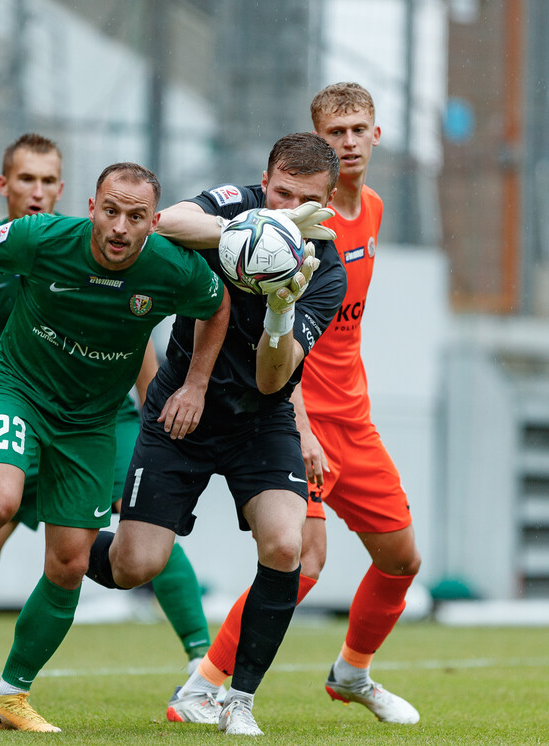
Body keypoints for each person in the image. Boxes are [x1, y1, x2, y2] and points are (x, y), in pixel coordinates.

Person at [0, 162, 229, 732]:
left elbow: (217, 307)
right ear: (90, 206)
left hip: (92, 422)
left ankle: (10, 698)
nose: (119, 228)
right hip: (19, 390)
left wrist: (196, 385)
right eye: (111, 211)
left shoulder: (174, 269)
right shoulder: (43, 238)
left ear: (153, 223)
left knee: (68, 564)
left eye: (135, 218)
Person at [173, 82, 422, 726]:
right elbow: (283, 339)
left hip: (354, 418)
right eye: (335, 132)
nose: (348, 141)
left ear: (375, 135)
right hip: (295, 411)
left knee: (401, 559)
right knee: (300, 560)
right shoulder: (278, 224)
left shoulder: (373, 210)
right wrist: (301, 423)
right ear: (318, 140)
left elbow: (343, 324)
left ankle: (352, 673)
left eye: (358, 129)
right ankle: (199, 687)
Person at [86, 132, 347, 735]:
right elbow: (170, 221)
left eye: (302, 201)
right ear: (265, 178)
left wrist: (281, 305)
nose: (285, 209)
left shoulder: (325, 271)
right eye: (279, 193)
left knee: (288, 547)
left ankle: (238, 700)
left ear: (326, 204)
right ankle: (71, 551)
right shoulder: (239, 205)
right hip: (181, 410)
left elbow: (271, 376)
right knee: (135, 566)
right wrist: (256, 233)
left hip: (261, 418)